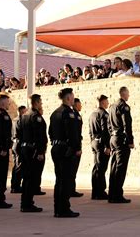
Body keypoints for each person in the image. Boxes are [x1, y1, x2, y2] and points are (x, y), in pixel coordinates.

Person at [49, 88, 81, 218]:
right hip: (66, 150)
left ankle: (58, 208)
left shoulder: (55, 113)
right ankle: (64, 209)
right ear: (68, 98)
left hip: (56, 148)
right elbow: (73, 134)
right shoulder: (69, 113)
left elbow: (50, 132)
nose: (73, 99)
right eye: (72, 97)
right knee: (66, 180)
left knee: (59, 180)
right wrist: (76, 148)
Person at [20, 94, 47, 213]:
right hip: (33, 151)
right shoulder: (36, 116)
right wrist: (40, 152)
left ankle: (25, 202)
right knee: (32, 177)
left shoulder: (24, 115)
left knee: (26, 177)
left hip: (25, 149)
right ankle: (28, 204)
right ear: (36, 103)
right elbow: (39, 136)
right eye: (40, 102)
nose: (41, 104)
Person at [108, 87, 134, 203]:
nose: (129, 96)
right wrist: (130, 141)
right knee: (120, 167)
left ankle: (112, 193)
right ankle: (117, 195)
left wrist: (112, 135)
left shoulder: (112, 106)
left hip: (113, 138)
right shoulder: (124, 106)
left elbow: (109, 124)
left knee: (114, 166)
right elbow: (127, 125)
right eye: (128, 93)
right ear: (124, 94)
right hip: (121, 139)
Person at [89, 95, 111, 200]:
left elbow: (90, 131)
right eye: (107, 102)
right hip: (102, 144)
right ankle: (100, 192)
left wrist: (92, 142)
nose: (108, 103)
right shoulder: (104, 114)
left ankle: (95, 191)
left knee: (96, 168)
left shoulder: (92, 114)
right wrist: (107, 146)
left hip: (94, 142)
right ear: (102, 103)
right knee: (101, 168)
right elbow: (105, 131)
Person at [11, 106, 27, 194]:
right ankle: (15, 186)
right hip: (19, 144)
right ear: (21, 112)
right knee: (19, 166)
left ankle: (14, 185)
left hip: (14, 144)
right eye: (24, 112)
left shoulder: (13, 120)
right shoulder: (20, 120)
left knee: (16, 165)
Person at [70, 98, 84, 198]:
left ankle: (71, 189)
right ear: (76, 104)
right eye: (80, 104)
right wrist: (78, 147)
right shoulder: (75, 115)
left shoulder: (75, 114)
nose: (81, 106)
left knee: (73, 170)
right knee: (72, 169)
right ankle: (71, 189)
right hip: (75, 146)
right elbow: (75, 133)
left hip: (75, 144)